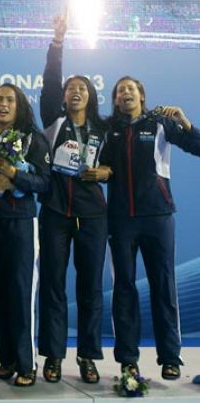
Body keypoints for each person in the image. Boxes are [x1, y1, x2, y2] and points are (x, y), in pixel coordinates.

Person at [101, 76, 200, 380]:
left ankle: (170, 357)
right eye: (120, 91)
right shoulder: (108, 130)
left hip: (158, 217)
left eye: (131, 89)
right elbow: (100, 166)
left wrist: (185, 122)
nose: (125, 94)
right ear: (115, 100)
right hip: (121, 220)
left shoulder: (161, 123)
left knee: (164, 286)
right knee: (124, 290)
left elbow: (197, 147)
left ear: (141, 96)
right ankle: (128, 359)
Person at [37, 15, 111, 384]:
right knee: (52, 285)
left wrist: (107, 171)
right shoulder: (53, 119)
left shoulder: (103, 128)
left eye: (82, 87)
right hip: (54, 213)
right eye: (71, 88)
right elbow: (50, 82)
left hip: (93, 216)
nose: (75, 91)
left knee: (90, 288)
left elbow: (118, 163)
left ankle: (87, 356)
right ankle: (52, 355)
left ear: (91, 96)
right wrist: (57, 42)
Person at [0, 83, 50, 387]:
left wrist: (15, 174)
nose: (3, 104)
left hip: (19, 222)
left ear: (19, 106)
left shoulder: (33, 138)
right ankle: (7, 359)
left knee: (20, 293)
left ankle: (27, 364)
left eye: (9, 100)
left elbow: (44, 184)